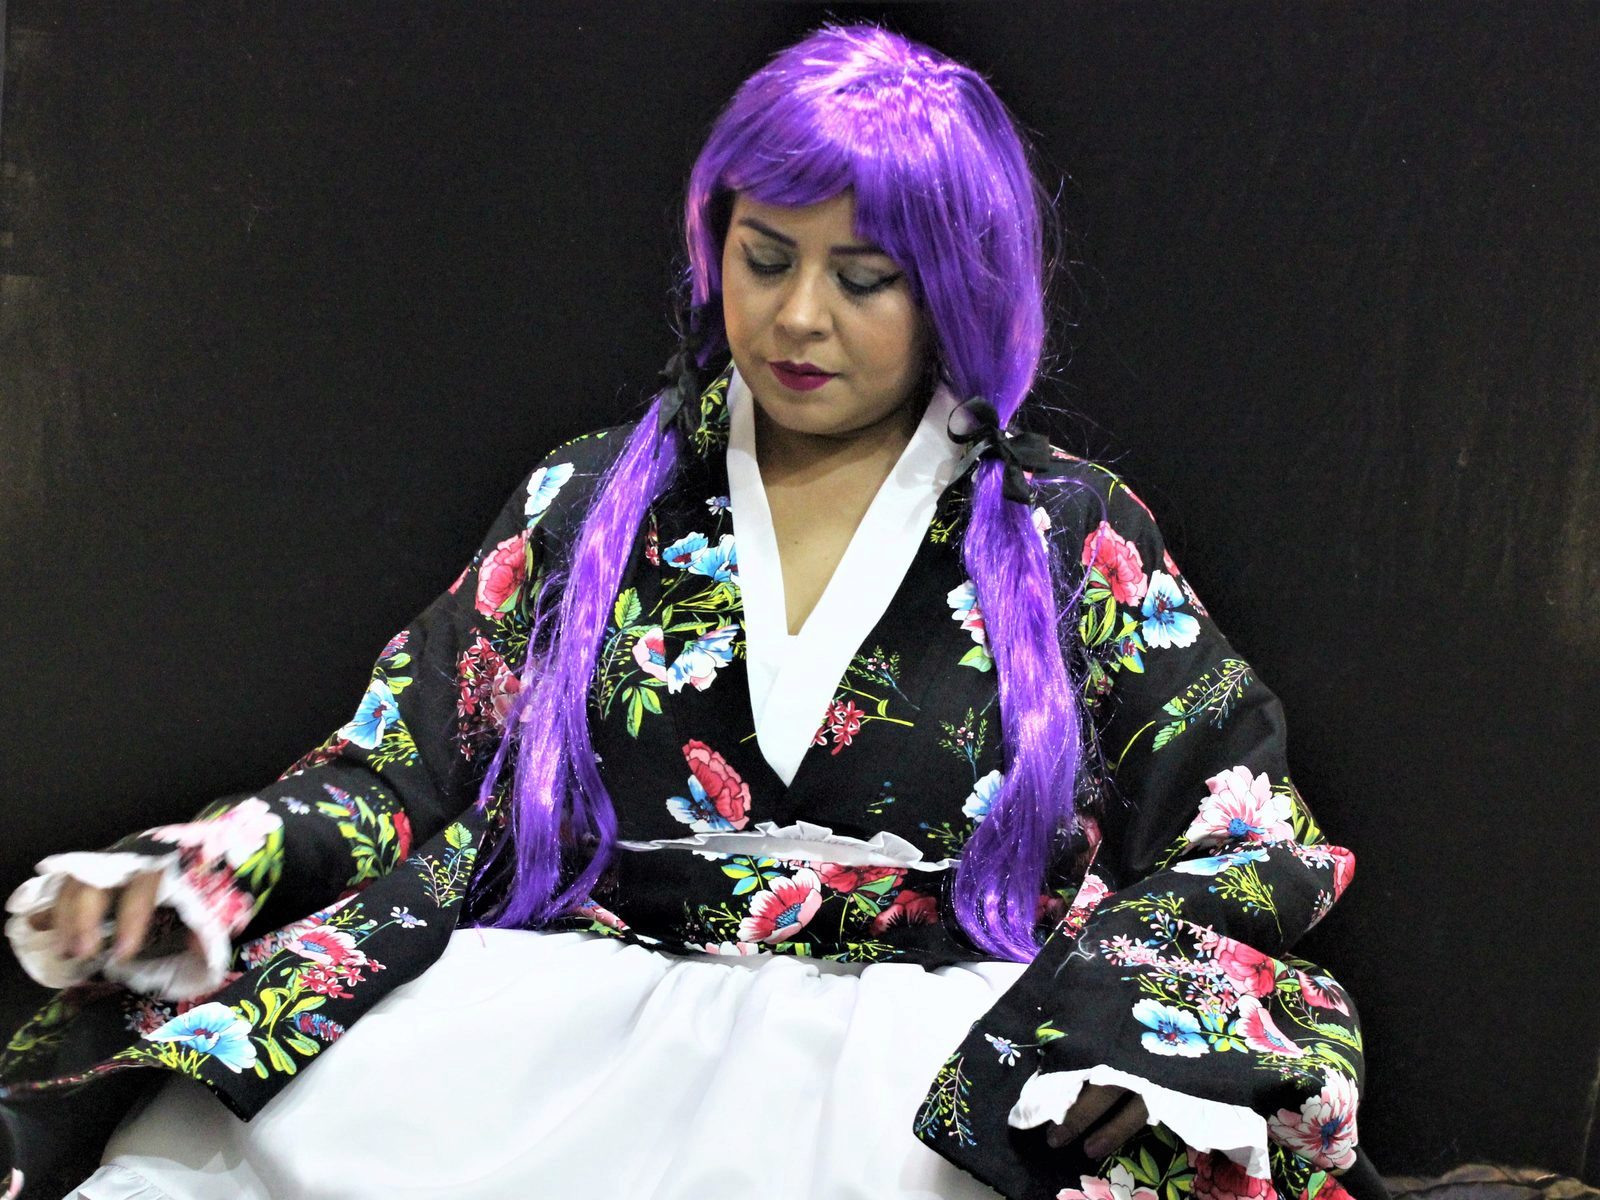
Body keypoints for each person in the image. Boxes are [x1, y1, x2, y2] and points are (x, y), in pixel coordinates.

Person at [0, 22, 1380, 1200]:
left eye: (865, 278)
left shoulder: (1064, 532)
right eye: (765, 256)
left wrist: (1122, 1014)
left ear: (956, 286)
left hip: (926, 1060)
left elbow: (1241, 834)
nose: (799, 318)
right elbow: (397, 765)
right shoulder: (590, 502)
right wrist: (205, 871)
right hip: (562, 1036)